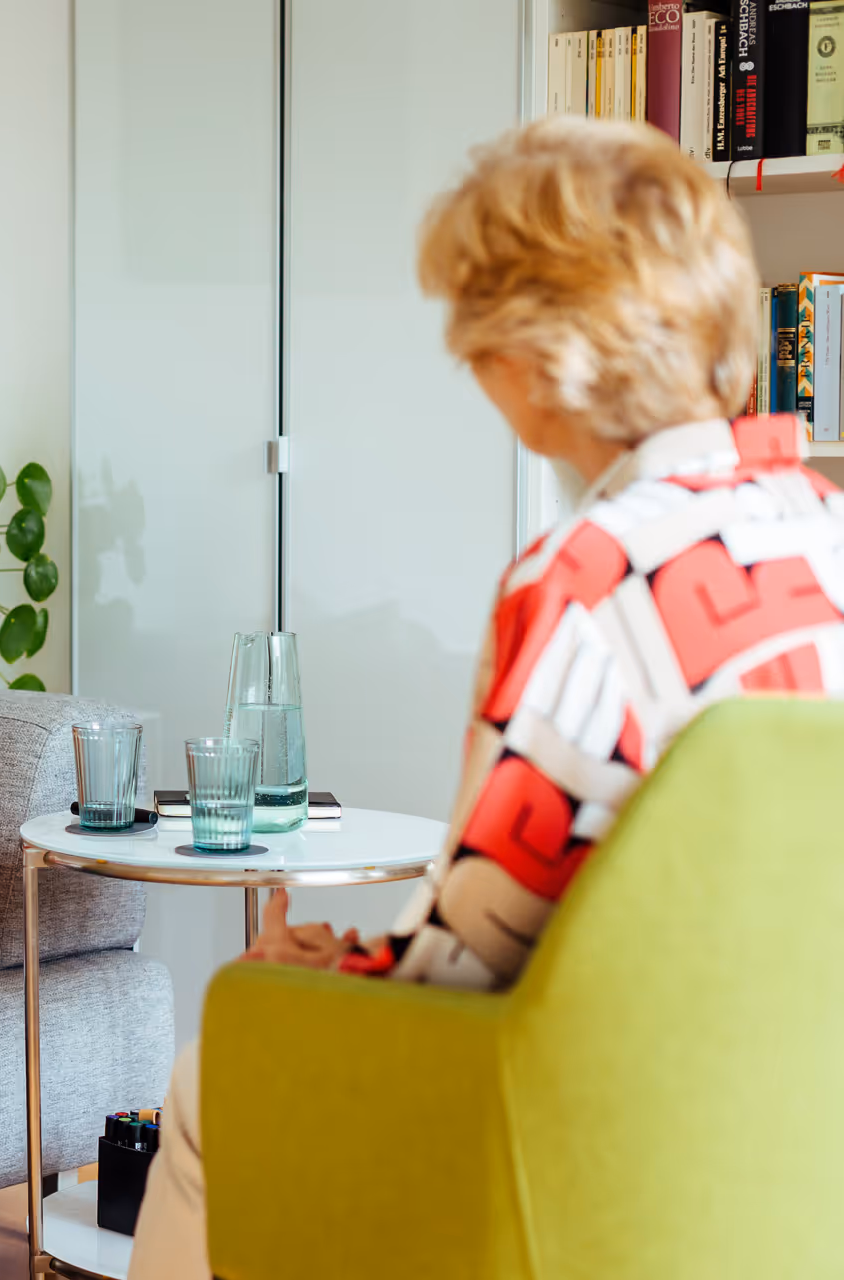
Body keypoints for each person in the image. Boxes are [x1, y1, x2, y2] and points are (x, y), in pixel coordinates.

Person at [127, 116, 844, 1279]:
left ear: (538, 352)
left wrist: (320, 975)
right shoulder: (826, 533)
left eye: (475, 334)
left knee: (222, 1059)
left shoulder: (583, 577)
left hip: (586, 1141)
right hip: (794, 1141)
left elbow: (471, 962)